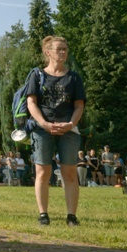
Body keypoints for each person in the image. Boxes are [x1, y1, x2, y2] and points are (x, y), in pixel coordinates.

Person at [27, 36, 86, 226]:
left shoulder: (74, 77)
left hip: (68, 130)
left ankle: (71, 216)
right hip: (43, 130)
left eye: (65, 49)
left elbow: (79, 105)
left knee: (69, 173)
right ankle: (43, 214)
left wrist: (70, 124)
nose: (63, 52)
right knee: (43, 172)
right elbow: (31, 102)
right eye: (59, 49)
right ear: (48, 52)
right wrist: (43, 123)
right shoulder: (37, 75)